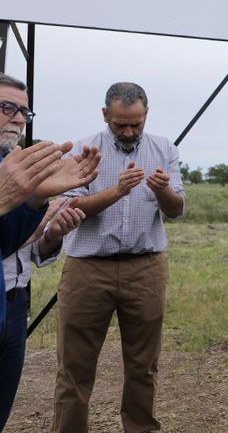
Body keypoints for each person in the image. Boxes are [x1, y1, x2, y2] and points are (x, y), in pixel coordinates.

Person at [52, 82, 185, 433]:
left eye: (136, 124)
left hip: (146, 268)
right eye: (120, 124)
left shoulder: (164, 149)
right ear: (105, 114)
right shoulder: (82, 150)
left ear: (146, 115)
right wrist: (118, 190)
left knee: (144, 366)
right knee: (75, 367)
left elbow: (176, 209)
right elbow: (71, 206)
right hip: (88, 269)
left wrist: (163, 191)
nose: (129, 131)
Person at [0, 73, 95, 428]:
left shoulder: (19, 165)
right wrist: (34, 201)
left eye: (24, 111)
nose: (18, 117)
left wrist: (51, 231)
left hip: (13, 302)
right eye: (7, 106)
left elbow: (12, 242)